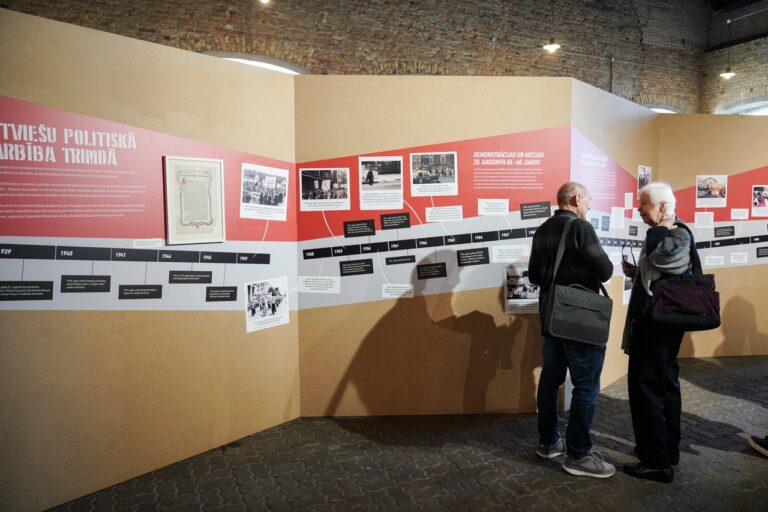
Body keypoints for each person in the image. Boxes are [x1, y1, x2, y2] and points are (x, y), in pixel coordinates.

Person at [529, 181, 615, 478]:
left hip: (551, 314)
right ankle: (578, 455)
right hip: (579, 317)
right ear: (577, 198)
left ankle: (549, 442)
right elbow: (605, 270)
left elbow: (534, 275)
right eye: (588, 200)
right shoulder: (581, 227)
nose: (589, 205)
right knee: (586, 385)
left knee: (550, 380)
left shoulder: (542, 229)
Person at [621, 181, 691, 484]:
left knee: (646, 388)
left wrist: (659, 229)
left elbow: (666, 260)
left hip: (656, 327)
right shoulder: (671, 234)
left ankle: (655, 462)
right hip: (660, 325)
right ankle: (666, 450)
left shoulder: (674, 232)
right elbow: (662, 271)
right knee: (664, 385)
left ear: (662, 207)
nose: (638, 209)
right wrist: (638, 273)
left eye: (644, 204)